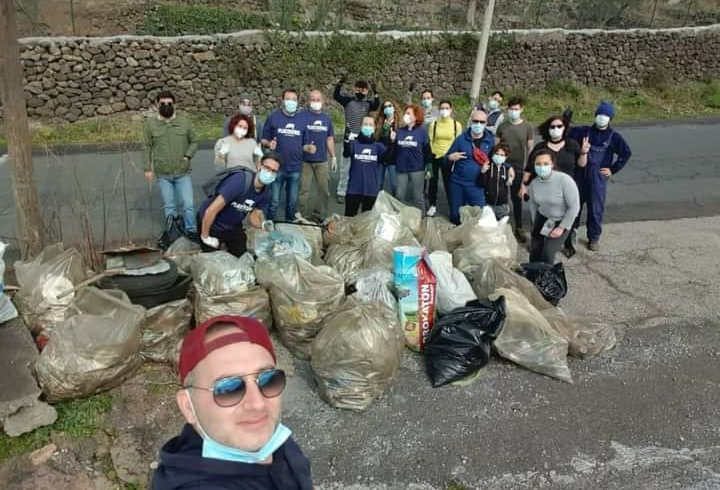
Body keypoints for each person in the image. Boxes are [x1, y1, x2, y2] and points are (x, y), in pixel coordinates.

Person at [152, 315, 312, 489]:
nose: (257, 404)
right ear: (188, 406)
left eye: (268, 379)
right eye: (229, 388)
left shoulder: (273, 441)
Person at [568, 101, 632, 251]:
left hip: (598, 178)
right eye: (599, 115)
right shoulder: (584, 131)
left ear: (610, 119)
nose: (601, 118)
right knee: (574, 206)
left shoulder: (614, 137)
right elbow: (566, 131)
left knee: (595, 209)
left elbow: (626, 153)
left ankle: (594, 238)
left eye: (605, 115)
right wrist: (566, 119)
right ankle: (571, 233)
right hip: (580, 175)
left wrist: (613, 169)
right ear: (595, 116)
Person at [523, 114, 589, 257]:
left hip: (567, 188)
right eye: (553, 126)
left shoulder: (571, 144)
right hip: (546, 188)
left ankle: (568, 243)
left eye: (559, 126)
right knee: (545, 217)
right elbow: (529, 168)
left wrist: (583, 152)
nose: (556, 129)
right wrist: (523, 185)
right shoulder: (541, 147)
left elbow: (581, 164)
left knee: (569, 217)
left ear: (565, 128)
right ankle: (540, 246)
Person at [197, 153, 279, 257]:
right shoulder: (240, 181)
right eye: (267, 168)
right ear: (259, 166)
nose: (269, 173)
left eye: (273, 171)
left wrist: (263, 225)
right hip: (211, 222)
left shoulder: (266, 193)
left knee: (241, 256)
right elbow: (211, 210)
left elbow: (253, 217)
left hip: (232, 225)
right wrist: (205, 237)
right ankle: (208, 239)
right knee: (213, 260)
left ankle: (225, 243)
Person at [144, 90, 199, 239]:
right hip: (163, 173)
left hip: (183, 172)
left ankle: (191, 231)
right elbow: (147, 146)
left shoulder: (184, 121)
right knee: (170, 206)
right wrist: (147, 168)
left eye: (169, 103)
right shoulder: (150, 124)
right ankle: (173, 232)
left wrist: (188, 156)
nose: (166, 106)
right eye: (163, 103)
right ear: (157, 104)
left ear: (174, 104)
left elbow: (194, 141)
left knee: (188, 205)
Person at [260, 89, 308, 221]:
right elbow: (263, 139)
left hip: (295, 168)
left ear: (297, 101)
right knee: (274, 201)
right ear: (282, 100)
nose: (291, 102)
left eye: (294, 99)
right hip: (276, 168)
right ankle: (270, 224)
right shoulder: (273, 117)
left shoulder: (303, 119)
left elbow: (305, 143)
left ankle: (289, 225)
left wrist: (309, 147)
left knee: (292, 203)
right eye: (288, 99)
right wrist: (269, 144)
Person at [527, 149, 580, 264]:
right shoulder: (534, 184)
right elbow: (533, 204)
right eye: (538, 164)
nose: (542, 167)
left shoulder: (564, 180)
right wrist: (534, 223)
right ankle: (533, 277)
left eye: (545, 164)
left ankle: (548, 278)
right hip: (543, 218)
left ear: (552, 164)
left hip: (561, 220)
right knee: (535, 252)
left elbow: (574, 206)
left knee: (547, 253)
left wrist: (561, 227)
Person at [333, 76, 380, 204]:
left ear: (366, 91)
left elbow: (376, 105)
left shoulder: (368, 104)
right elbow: (336, 96)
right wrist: (340, 83)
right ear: (354, 89)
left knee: (359, 166)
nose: (360, 91)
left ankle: (356, 190)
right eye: (358, 89)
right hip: (349, 136)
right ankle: (341, 191)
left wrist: (375, 93)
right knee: (345, 166)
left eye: (363, 90)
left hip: (362, 138)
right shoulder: (348, 101)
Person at [444, 109, 495, 224]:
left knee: (479, 215)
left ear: (486, 124)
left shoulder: (490, 141)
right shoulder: (461, 139)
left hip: (477, 185)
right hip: (458, 183)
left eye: (482, 122)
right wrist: (450, 158)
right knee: (455, 215)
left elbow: (497, 160)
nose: (478, 124)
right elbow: (446, 159)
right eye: (475, 121)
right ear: (470, 122)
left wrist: (508, 168)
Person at [496, 96, 534, 242]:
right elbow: (497, 147)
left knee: (516, 199)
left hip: (518, 168)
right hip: (502, 166)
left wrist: (528, 169)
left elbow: (530, 148)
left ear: (521, 109)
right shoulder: (502, 127)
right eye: (511, 109)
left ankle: (519, 227)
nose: (513, 112)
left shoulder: (527, 127)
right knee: (501, 197)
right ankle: (501, 227)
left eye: (516, 109)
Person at [297, 90, 336, 221]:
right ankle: (302, 216)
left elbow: (329, 138)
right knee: (304, 191)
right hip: (305, 160)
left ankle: (320, 215)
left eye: (318, 100)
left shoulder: (326, 119)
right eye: (313, 99)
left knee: (324, 190)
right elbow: (296, 136)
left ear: (323, 102)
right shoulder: (301, 116)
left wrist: (334, 156)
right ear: (308, 101)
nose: (315, 102)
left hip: (322, 160)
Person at [426, 100, 462, 217]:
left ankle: (453, 205)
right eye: (442, 108)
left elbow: (459, 142)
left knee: (450, 182)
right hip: (435, 156)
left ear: (451, 110)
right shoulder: (434, 124)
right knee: (433, 182)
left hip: (449, 158)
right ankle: (432, 204)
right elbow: (431, 140)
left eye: (447, 108)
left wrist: (454, 156)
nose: (444, 110)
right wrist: (430, 157)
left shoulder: (456, 125)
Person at [345, 116, 387, 216]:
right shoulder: (354, 144)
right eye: (365, 124)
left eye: (370, 125)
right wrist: (346, 141)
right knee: (349, 220)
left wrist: (391, 140)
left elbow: (388, 157)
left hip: (371, 190)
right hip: (354, 189)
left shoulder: (378, 146)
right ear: (361, 126)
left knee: (367, 222)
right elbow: (346, 153)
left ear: (374, 127)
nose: (368, 127)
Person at [395, 104, 430, 213]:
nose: (406, 116)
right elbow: (394, 149)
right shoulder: (400, 131)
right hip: (401, 168)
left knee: (417, 197)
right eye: (405, 113)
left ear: (416, 116)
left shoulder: (422, 131)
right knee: (399, 195)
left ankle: (421, 219)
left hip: (417, 168)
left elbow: (427, 150)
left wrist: (428, 166)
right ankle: (397, 219)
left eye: (408, 113)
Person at [480, 143, 515, 220]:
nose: (499, 156)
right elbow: (481, 184)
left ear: (506, 157)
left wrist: (510, 179)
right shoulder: (488, 167)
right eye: (497, 154)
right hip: (488, 204)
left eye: (502, 155)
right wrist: (483, 172)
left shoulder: (507, 168)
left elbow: (510, 180)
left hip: (502, 206)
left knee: (501, 228)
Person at [374, 99, 400, 195]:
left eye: (390, 106)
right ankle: (377, 204)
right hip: (381, 158)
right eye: (385, 107)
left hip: (393, 158)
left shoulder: (399, 123)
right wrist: (383, 132)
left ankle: (395, 204)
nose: (387, 108)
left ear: (394, 108)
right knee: (378, 184)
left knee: (394, 185)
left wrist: (394, 140)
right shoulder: (379, 122)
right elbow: (375, 140)